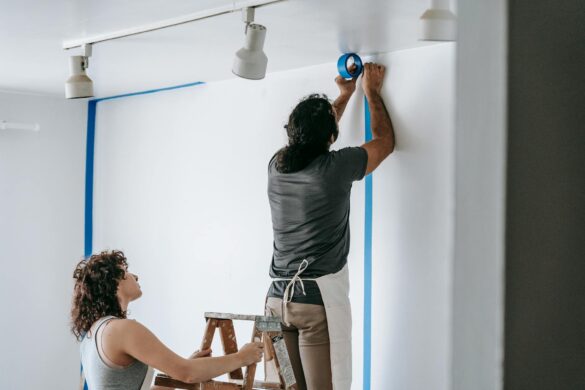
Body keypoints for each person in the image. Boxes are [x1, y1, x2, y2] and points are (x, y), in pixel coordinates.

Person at [265, 63, 395, 390]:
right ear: (331, 136)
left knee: (285, 387)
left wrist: (342, 96)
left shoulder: (277, 165)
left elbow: (315, 135)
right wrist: (371, 93)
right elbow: (384, 142)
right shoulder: (335, 168)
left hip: (274, 306)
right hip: (312, 305)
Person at [71, 250, 264, 390]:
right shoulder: (122, 330)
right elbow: (188, 374)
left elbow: (184, 372)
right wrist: (242, 357)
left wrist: (178, 370)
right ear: (114, 282)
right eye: (126, 271)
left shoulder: (93, 333)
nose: (135, 276)